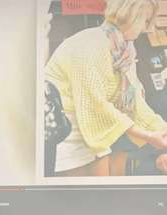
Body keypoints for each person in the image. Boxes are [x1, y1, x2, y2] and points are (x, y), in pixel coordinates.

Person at [45, 0, 167, 176]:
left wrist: (162, 129)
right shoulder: (90, 44)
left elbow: (134, 100)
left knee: (104, 187)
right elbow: (96, 105)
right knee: (83, 192)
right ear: (127, 14)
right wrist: (147, 135)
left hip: (95, 130)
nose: (146, 29)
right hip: (67, 130)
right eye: (145, 20)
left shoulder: (125, 47)